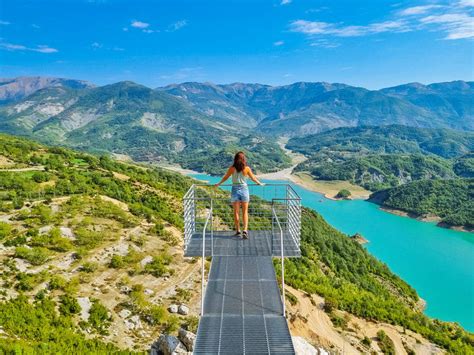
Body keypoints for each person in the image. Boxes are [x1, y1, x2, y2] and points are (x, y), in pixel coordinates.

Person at [214, 151, 264, 239]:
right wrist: (259, 183)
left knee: (236, 212)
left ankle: (238, 231)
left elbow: (225, 177)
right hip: (244, 190)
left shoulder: (232, 168)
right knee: (245, 212)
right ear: (244, 159)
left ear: (235, 159)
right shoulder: (247, 168)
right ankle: (245, 230)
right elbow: (253, 178)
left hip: (235, 190)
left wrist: (219, 183)